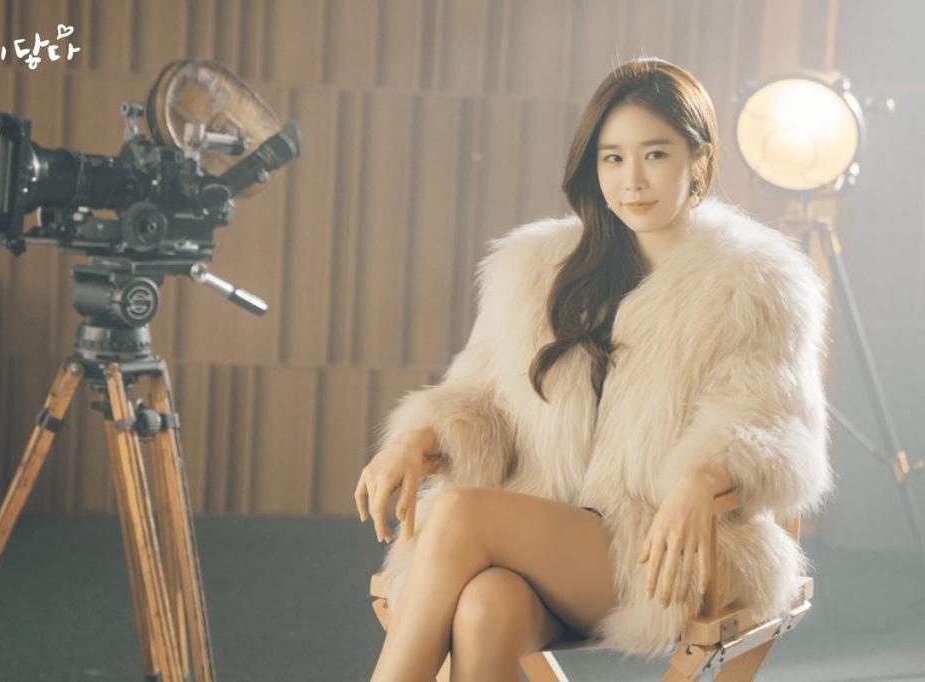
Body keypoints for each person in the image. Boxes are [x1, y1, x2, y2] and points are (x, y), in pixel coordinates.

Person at [354, 57, 833, 682]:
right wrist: (418, 436)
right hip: (539, 537)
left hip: (664, 549)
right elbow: (481, 397)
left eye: (655, 155)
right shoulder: (534, 270)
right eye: (613, 158)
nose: (632, 180)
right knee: (485, 608)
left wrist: (703, 476)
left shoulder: (753, 281)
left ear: (699, 160)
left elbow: (776, 430)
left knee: (457, 514)